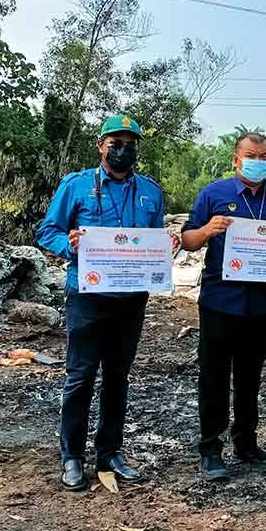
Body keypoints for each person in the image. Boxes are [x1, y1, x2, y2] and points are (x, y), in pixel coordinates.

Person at [36, 115, 172, 492]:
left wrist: (165, 247)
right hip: (87, 296)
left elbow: (153, 235)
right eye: (115, 141)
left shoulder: (150, 192)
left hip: (131, 299)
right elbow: (47, 231)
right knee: (80, 376)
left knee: (118, 376)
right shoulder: (76, 186)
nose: (122, 148)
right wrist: (71, 245)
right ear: (100, 145)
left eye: (130, 143)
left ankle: (110, 452)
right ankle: (72, 457)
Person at [181, 132, 266, 481]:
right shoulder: (214, 194)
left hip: (259, 306)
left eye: (264, 156)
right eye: (251, 155)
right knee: (213, 378)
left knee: (249, 379)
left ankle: (246, 443)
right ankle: (211, 449)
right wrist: (208, 230)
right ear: (236, 158)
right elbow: (187, 240)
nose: (258, 161)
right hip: (219, 303)